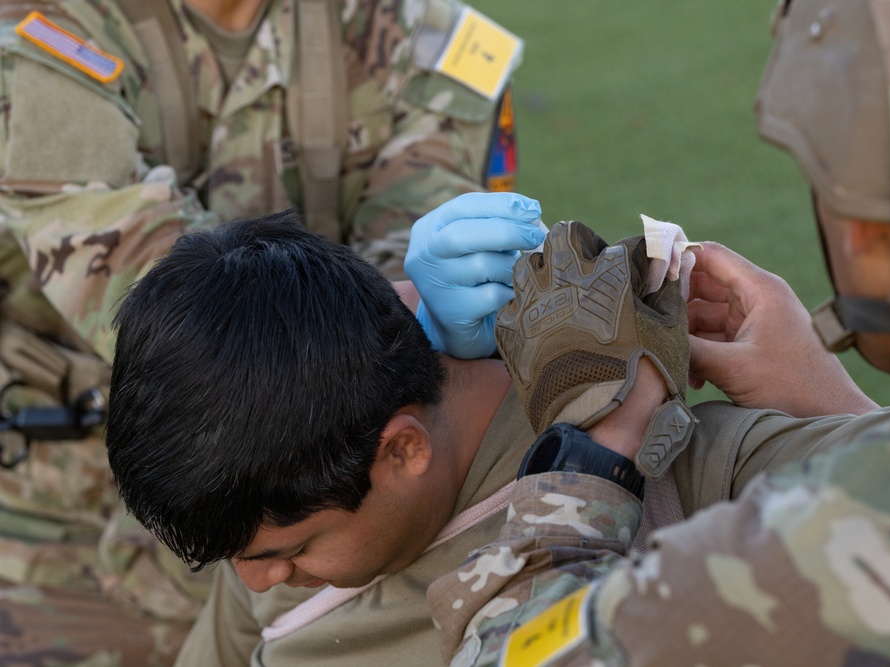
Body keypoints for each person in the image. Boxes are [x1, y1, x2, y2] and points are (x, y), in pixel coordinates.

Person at [428, 0, 890, 663]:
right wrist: (832, 403)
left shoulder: (827, 556)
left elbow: (516, 653)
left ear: (864, 231)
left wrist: (598, 441)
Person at [0, 0, 522, 662]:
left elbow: (421, 269)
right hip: (57, 524)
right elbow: (127, 269)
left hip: (325, 503)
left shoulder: (423, 36)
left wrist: (417, 317)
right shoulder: (45, 30)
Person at [103, 209, 698, 666]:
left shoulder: (681, 492)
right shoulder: (274, 489)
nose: (255, 579)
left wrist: (795, 394)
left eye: (289, 552)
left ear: (404, 449)